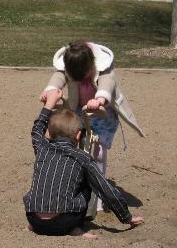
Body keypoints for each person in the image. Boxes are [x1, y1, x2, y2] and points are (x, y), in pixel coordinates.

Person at [23, 89, 144, 239]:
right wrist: (126, 217)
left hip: (34, 219)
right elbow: (105, 189)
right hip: (65, 222)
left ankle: (33, 226)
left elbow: (36, 130)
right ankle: (77, 228)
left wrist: (50, 103)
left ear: (49, 134)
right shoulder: (83, 158)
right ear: (78, 135)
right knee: (88, 182)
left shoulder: (42, 148)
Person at [39, 40, 144, 211]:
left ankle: (100, 195)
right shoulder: (71, 63)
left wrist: (100, 98)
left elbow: (107, 81)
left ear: (92, 64)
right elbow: (59, 76)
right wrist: (51, 89)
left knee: (99, 152)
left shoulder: (102, 64)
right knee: (75, 146)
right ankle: (76, 184)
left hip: (102, 113)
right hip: (80, 110)